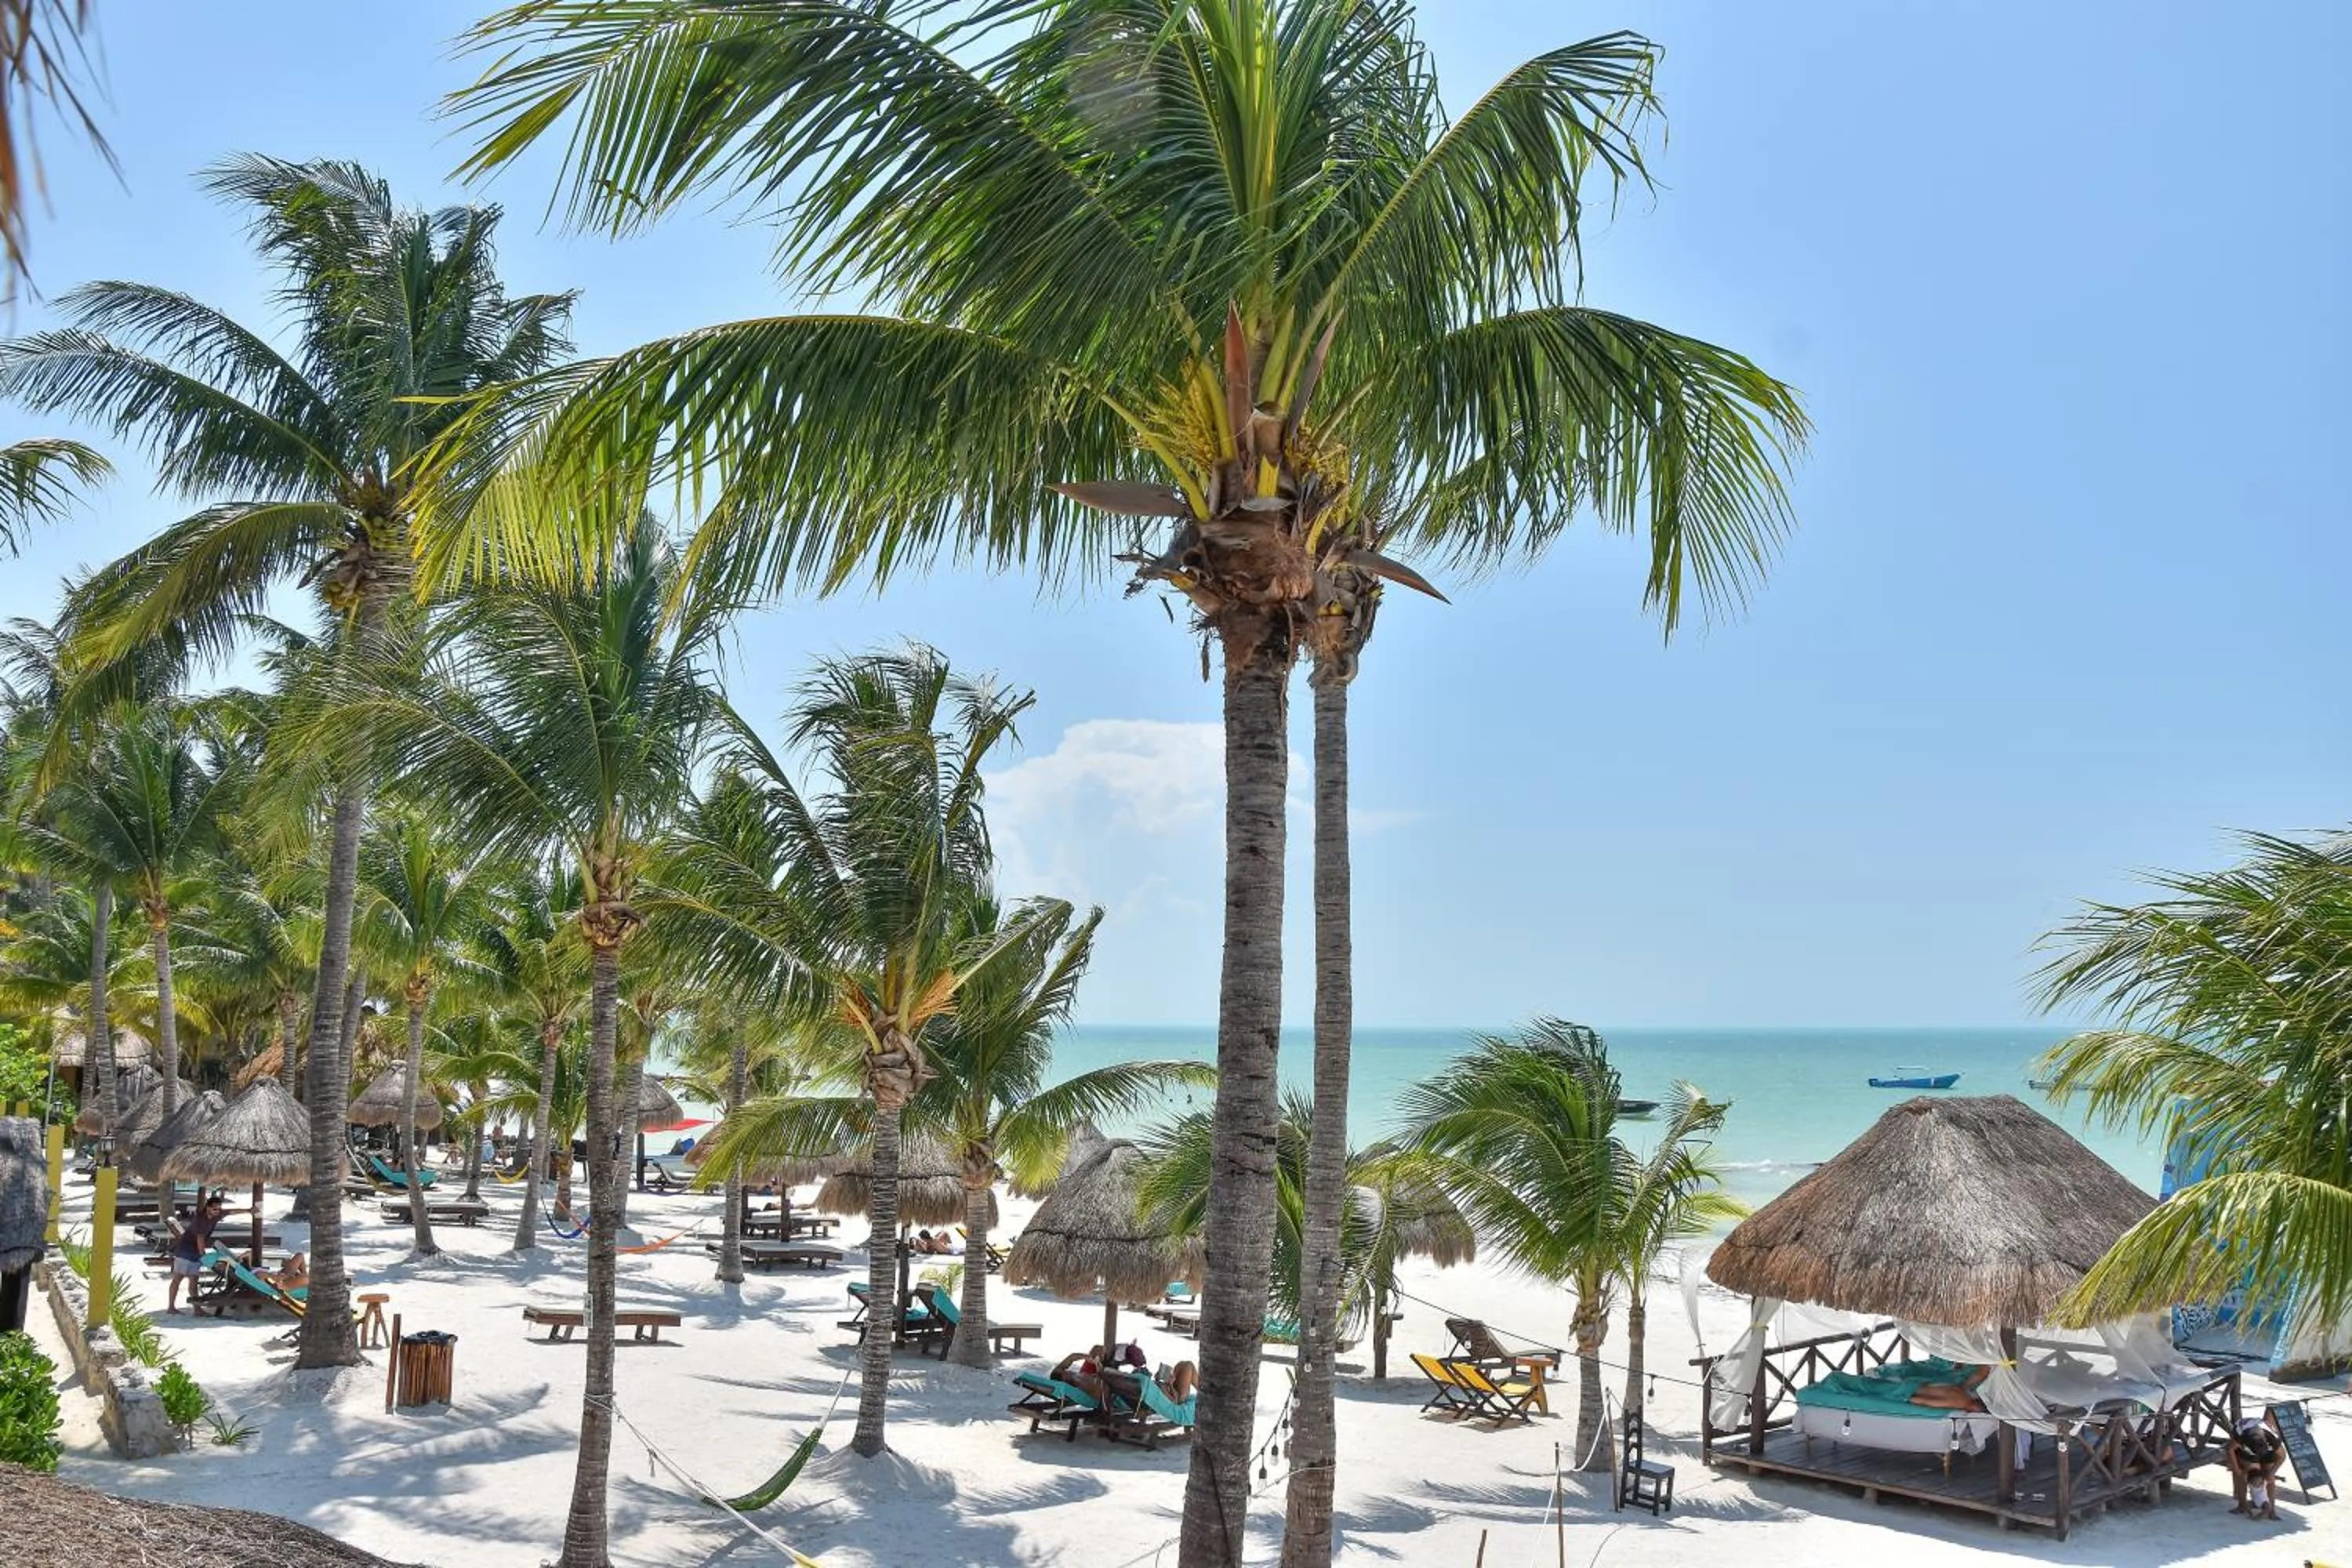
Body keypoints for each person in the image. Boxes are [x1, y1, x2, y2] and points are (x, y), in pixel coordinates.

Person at [165, 1192, 226, 1315]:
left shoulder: (215, 1216)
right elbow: (200, 1238)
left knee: (194, 1281)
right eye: (214, 1209)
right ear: (208, 1207)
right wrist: (203, 1255)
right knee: (178, 1278)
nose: (217, 1211)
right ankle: (171, 1307)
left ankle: (197, 1309)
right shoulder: (202, 1220)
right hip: (185, 1251)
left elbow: (230, 1212)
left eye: (219, 1209)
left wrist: (248, 1210)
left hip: (195, 1252)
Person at [2227, 1416, 2285, 1519]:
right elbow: (2230, 1450)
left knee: (2269, 1476)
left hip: (2267, 1450)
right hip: (2247, 1448)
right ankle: (2242, 1505)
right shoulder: (2241, 1435)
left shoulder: (2272, 1438)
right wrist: (2237, 1470)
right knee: (2245, 1473)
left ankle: (2272, 1510)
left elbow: (2282, 1456)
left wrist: (2272, 1473)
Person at [1908, 1363, 1992, 1412]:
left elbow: (1926, 1401)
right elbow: (1925, 1401)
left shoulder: (1963, 1397)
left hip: (1916, 1385)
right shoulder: (1962, 1401)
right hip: (1912, 1389)